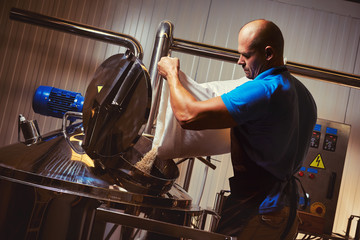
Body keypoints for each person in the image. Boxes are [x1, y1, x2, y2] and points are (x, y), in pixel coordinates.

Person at [157, 19, 317, 239]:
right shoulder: (303, 93)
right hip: (286, 214)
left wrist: (172, 75)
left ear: (268, 53)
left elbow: (188, 115)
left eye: (246, 55)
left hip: (258, 212)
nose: (240, 61)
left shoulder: (264, 89)